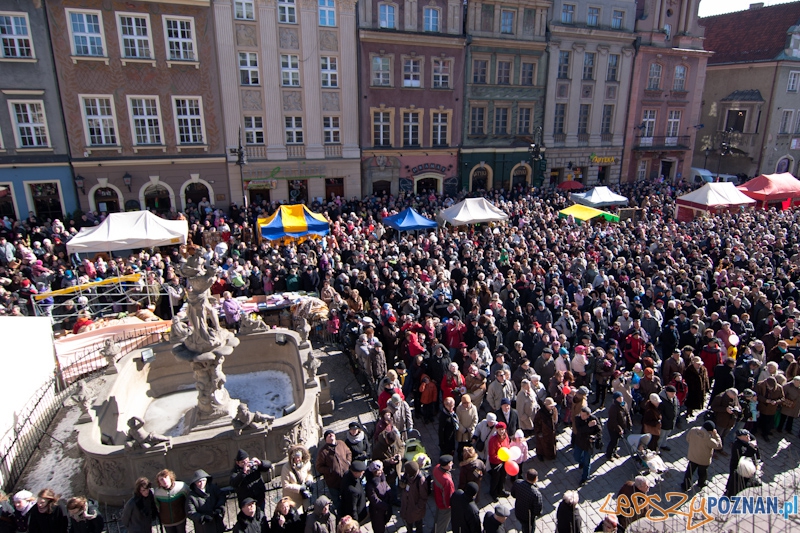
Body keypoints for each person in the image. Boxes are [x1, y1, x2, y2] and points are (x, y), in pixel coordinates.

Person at [315, 430, 352, 510]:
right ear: (326, 439)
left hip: (345, 477)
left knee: (348, 498)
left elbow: (348, 452)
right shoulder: (323, 451)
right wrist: (330, 470)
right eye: (328, 435)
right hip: (333, 482)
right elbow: (319, 467)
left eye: (332, 433)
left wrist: (348, 462)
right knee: (337, 502)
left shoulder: (341, 443)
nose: (330, 435)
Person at [682, 421, 723, 491]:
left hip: (692, 456)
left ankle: (685, 485)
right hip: (703, 460)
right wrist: (716, 435)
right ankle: (701, 483)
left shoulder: (693, 430)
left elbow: (688, 439)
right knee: (702, 473)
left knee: (689, 472)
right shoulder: (709, 439)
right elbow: (719, 446)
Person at [725, 429, 762, 497]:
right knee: (735, 482)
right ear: (740, 437)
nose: (748, 437)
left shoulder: (748, 438)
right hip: (739, 467)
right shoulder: (737, 446)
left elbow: (753, 439)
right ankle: (730, 494)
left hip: (749, 465)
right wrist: (751, 448)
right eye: (746, 436)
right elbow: (743, 457)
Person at [153, 469, 189, 533]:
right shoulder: (157, 493)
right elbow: (157, 506)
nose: (164, 481)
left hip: (180, 519)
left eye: (166, 477)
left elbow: (189, 499)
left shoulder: (182, 487)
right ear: (159, 483)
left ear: (170, 478)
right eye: (161, 479)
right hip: (167, 522)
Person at [572, 406, 601, 485]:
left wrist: (594, 437)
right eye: (581, 414)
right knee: (576, 457)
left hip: (588, 445)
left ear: (589, 415)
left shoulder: (594, 419)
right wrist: (588, 426)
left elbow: (599, 432)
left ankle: (584, 478)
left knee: (587, 462)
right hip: (579, 442)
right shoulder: (578, 418)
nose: (582, 416)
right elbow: (579, 430)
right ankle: (581, 461)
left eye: (584, 415)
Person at [282, 445, 314, 512]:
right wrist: (299, 488)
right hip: (293, 498)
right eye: (295, 458)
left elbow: (309, 473)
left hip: (304, 496)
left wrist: (309, 480)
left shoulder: (307, 464)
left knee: (307, 513)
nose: (297, 460)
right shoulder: (286, 468)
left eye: (298, 457)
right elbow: (285, 485)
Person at [399, 460, 428, 533]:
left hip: (415, 509)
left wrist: (417, 509)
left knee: (418, 524)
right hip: (407, 506)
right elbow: (402, 486)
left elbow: (423, 497)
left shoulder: (420, 480)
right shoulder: (407, 474)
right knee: (408, 524)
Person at [511, 469, 543, 533]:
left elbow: (513, 494)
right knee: (528, 530)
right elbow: (537, 510)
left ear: (526, 475)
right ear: (536, 479)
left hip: (518, 511)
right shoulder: (536, 494)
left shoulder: (517, 482)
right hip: (528, 517)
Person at [365, 461, 393, 533]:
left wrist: (389, 493)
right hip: (377, 511)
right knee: (379, 529)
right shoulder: (370, 485)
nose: (382, 472)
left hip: (385, 506)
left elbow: (386, 485)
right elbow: (375, 500)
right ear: (374, 471)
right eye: (379, 471)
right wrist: (386, 506)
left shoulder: (381, 476)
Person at [756, 376, 785, 442]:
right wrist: (765, 400)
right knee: (760, 420)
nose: (770, 388)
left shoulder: (779, 388)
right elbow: (756, 395)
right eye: (769, 386)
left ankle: (765, 432)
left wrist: (776, 402)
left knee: (768, 421)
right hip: (761, 406)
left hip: (771, 408)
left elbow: (782, 398)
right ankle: (761, 431)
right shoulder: (759, 385)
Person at [487, 421, 511, 499]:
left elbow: (507, 446)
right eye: (500, 429)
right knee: (496, 478)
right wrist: (501, 458)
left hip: (504, 460)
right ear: (497, 430)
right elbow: (492, 454)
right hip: (495, 462)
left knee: (503, 476)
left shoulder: (506, 436)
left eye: (503, 429)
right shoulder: (493, 440)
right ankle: (493, 492)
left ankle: (501, 490)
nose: (502, 431)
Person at [432, 454, 455, 533]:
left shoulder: (436, 468)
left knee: (437, 519)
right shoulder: (447, 481)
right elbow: (448, 496)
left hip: (438, 500)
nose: (452, 464)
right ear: (447, 465)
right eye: (451, 463)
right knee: (442, 524)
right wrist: (448, 507)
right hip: (444, 506)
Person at [605, 392, 631, 460]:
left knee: (617, 441)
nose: (621, 399)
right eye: (618, 398)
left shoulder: (624, 404)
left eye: (621, 397)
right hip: (613, 428)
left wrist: (629, 423)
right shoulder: (613, 408)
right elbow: (613, 421)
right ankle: (609, 454)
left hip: (621, 426)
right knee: (613, 441)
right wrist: (619, 429)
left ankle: (614, 452)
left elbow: (627, 414)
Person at [456, 394, 478, 459]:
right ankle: (460, 456)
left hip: (469, 431)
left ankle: (469, 456)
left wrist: (471, 428)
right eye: (465, 403)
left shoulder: (473, 408)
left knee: (469, 445)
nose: (467, 405)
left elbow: (475, 419)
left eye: (468, 403)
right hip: (462, 432)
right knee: (461, 445)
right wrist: (462, 429)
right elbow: (457, 420)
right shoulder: (459, 409)